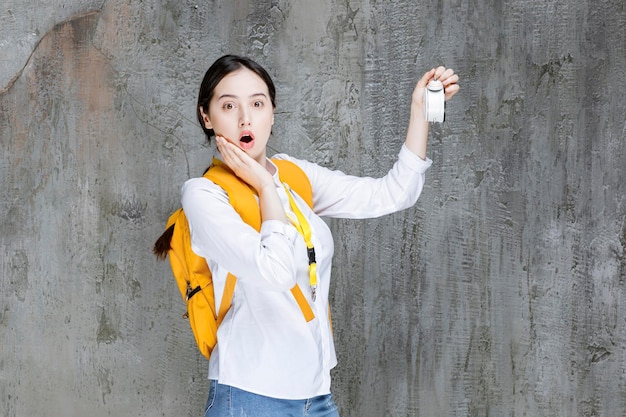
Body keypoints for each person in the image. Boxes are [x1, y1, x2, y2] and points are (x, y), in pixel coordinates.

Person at [181, 54, 459, 417]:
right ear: (207, 116)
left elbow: (393, 193)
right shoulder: (204, 194)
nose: (245, 118)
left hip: (316, 396)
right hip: (249, 397)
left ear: (272, 112)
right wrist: (265, 186)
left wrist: (421, 111)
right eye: (228, 105)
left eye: (257, 103)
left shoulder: (294, 176)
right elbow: (275, 271)